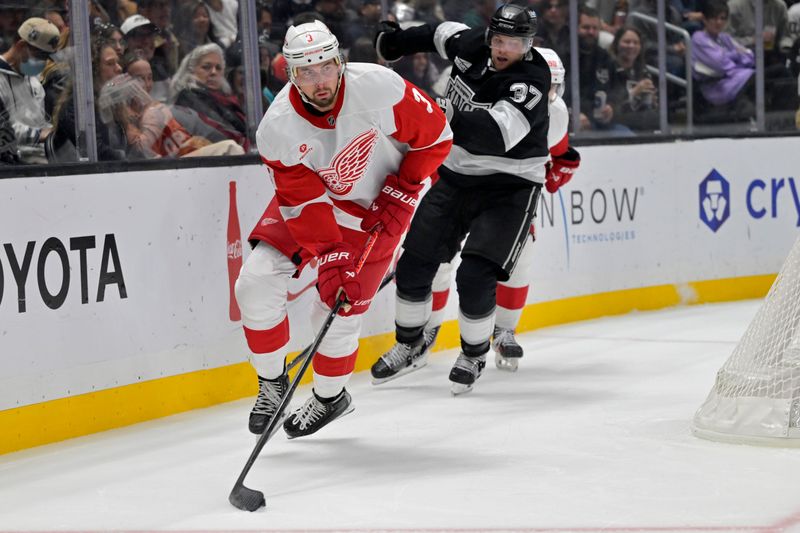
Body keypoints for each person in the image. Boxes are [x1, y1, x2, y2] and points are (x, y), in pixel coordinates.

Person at [235, 20, 451, 438]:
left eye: (326, 68)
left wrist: (405, 187)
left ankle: (331, 397)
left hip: (379, 208)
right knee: (256, 282)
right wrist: (330, 252)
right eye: (307, 72)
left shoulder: (379, 86)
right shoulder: (277, 128)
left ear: (340, 62)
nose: (320, 82)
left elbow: (437, 137)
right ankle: (271, 383)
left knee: (336, 308)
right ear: (291, 74)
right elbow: (301, 200)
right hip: (316, 204)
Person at [371, 46, 579, 382]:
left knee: (503, 264)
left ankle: (501, 332)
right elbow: (441, 127)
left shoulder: (556, 114)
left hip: (505, 194)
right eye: (547, 84)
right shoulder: (486, 81)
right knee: (425, 263)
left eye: (554, 86)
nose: (548, 93)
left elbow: (558, 155)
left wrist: (559, 168)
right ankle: (422, 335)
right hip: (457, 182)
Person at [0, 17, 60, 165]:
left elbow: (39, 122)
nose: (43, 62)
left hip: (34, 159)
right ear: (21, 45)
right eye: (40, 55)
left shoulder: (34, 81)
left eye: (47, 57)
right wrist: (38, 134)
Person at [170, 43, 249, 149]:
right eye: (206, 67)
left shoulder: (224, 98)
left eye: (218, 68)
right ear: (191, 70)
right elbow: (220, 135)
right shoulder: (189, 98)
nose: (213, 72)